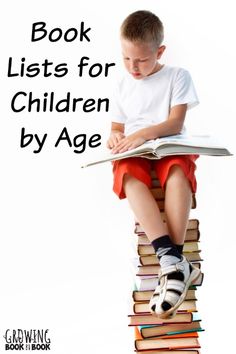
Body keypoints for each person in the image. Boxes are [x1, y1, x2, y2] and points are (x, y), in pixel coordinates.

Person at [106, 10, 201, 319]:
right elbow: (117, 128)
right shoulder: (121, 84)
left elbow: (175, 122)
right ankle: (175, 263)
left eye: (142, 61)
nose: (133, 67)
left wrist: (142, 134)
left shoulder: (177, 75)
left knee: (176, 173)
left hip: (168, 145)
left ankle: (169, 262)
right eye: (127, 59)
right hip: (135, 151)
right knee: (127, 174)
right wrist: (115, 137)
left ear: (159, 52)